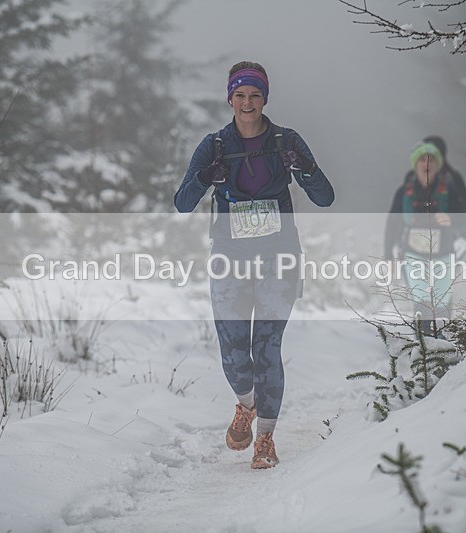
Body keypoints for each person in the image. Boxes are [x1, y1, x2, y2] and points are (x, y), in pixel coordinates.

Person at [174, 61, 334, 469]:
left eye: (255, 94)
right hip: (229, 258)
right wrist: (205, 177)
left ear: (265, 98)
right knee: (232, 349)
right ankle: (245, 404)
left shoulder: (286, 142)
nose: (248, 102)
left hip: (279, 257)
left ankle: (265, 439)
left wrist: (307, 170)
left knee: (267, 348)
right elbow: (182, 203)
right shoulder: (213, 146)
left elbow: (325, 196)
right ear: (230, 98)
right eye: (240, 94)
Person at [383, 137, 466, 336]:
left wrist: (450, 220)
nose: (427, 165)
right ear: (415, 164)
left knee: (442, 305)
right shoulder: (404, 192)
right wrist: (388, 255)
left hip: (443, 254)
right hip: (413, 254)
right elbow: (392, 224)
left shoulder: (449, 188)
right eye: (422, 161)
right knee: (421, 303)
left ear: (438, 165)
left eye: (431, 161)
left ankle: (444, 349)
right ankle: (423, 350)